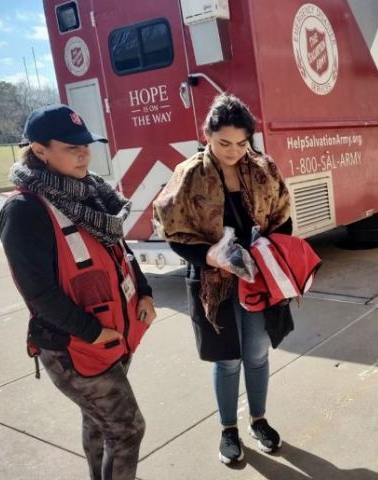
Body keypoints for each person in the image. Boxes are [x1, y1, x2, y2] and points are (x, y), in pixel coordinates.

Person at [0, 104, 156, 480]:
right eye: (71, 146)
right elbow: (38, 293)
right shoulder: (24, 210)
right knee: (127, 428)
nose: (85, 152)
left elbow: (118, 246)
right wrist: (92, 332)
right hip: (75, 345)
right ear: (39, 151)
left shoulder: (89, 192)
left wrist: (145, 290)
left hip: (112, 336)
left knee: (100, 422)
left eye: (86, 144)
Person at [153, 93, 292, 465]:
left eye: (241, 143)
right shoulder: (189, 175)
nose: (233, 151)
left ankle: (259, 421)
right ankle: (228, 429)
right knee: (228, 360)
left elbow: (283, 216)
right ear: (207, 135)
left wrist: (270, 252)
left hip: (258, 280)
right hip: (216, 284)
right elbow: (173, 230)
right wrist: (208, 256)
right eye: (224, 143)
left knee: (258, 354)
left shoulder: (264, 169)